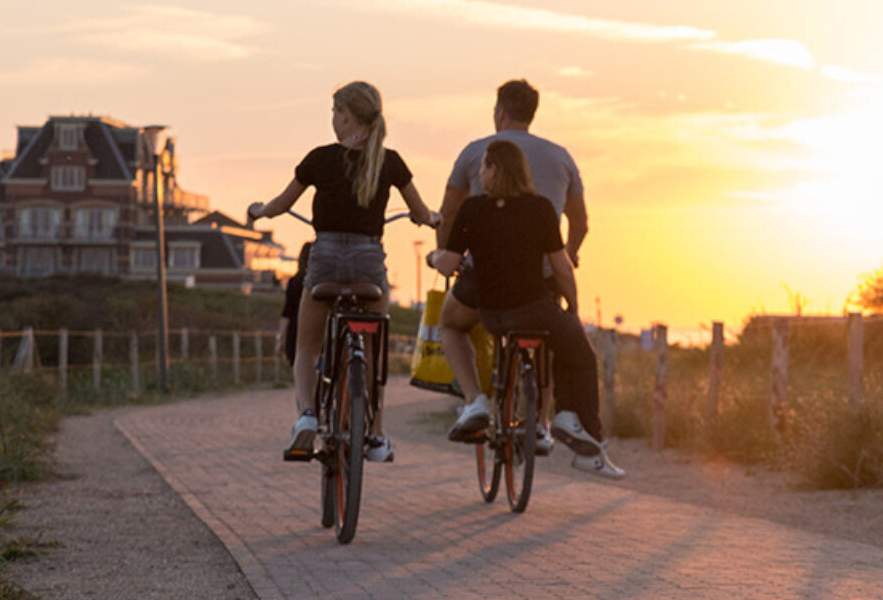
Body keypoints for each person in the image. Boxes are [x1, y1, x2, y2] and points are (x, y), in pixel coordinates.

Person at [249, 80, 435, 463]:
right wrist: (431, 219)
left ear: (348, 115)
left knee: (306, 346)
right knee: (373, 348)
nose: (333, 118)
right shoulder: (391, 161)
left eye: (336, 111)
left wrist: (259, 210)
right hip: (368, 261)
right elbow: (420, 212)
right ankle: (378, 434)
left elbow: (282, 204)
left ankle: (306, 416)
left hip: (326, 259)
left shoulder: (319, 158)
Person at [433, 139, 623, 479]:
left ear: (494, 170)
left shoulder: (472, 210)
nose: (481, 173)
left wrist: (434, 257)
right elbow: (562, 268)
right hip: (535, 311)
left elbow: (447, 266)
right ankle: (572, 425)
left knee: (462, 325)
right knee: (579, 352)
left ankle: (477, 401)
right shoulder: (540, 209)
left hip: (492, 315)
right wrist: (573, 309)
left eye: (484, 167)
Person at [434, 79, 588, 455]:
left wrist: (446, 260)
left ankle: (475, 401)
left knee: (451, 324)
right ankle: (541, 422)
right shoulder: (561, 157)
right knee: (549, 336)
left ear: (500, 111)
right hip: (541, 281)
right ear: (531, 113)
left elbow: (449, 214)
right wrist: (566, 255)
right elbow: (580, 223)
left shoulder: (476, 152)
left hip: (483, 278)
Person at [276, 242, 313, 367]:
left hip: (295, 332)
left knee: (300, 368)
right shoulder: (322, 284)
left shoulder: (294, 282)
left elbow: (287, 313)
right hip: (315, 329)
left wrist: (281, 339)